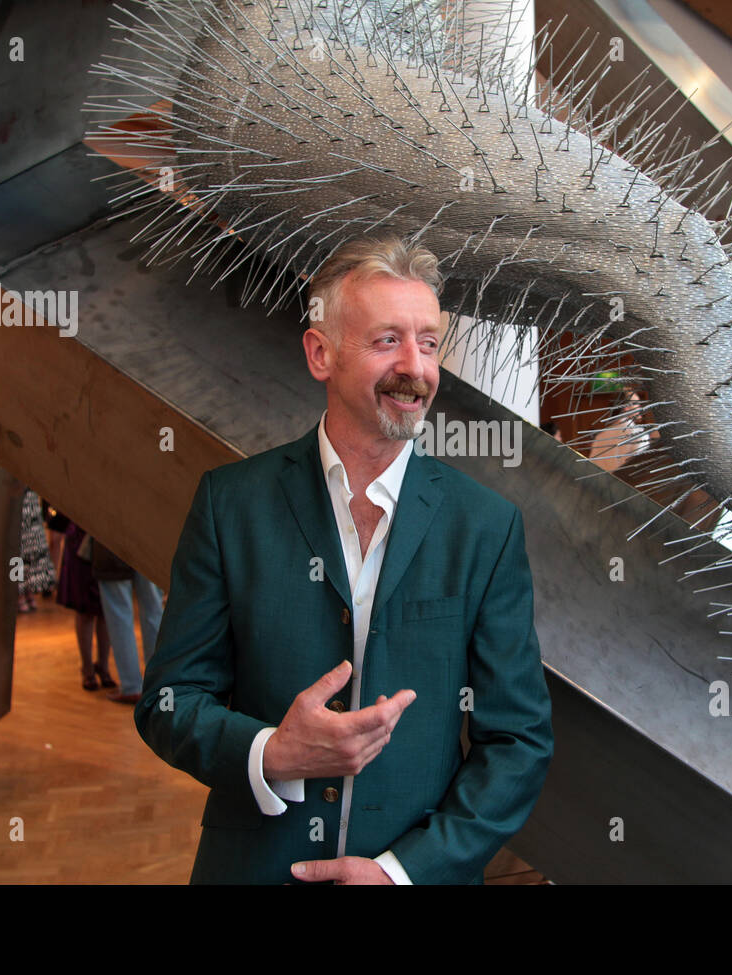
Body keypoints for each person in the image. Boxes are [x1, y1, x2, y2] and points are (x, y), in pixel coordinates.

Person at [136, 236, 553, 884]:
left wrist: (403, 871)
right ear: (320, 352)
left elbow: (518, 743)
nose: (416, 367)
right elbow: (168, 699)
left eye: (429, 342)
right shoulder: (230, 504)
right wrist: (271, 750)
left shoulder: (484, 528)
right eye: (388, 340)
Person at [89, 538, 164, 706]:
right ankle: (158, 684)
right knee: (153, 612)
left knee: (119, 615)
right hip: (148, 543)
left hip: (111, 542)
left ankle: (132, 686)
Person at [57, 520, 116, 692]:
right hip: (80, 540)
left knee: (106, 610)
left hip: (106, 539)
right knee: (84, 608)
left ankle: (103, 666)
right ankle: (87, 668)